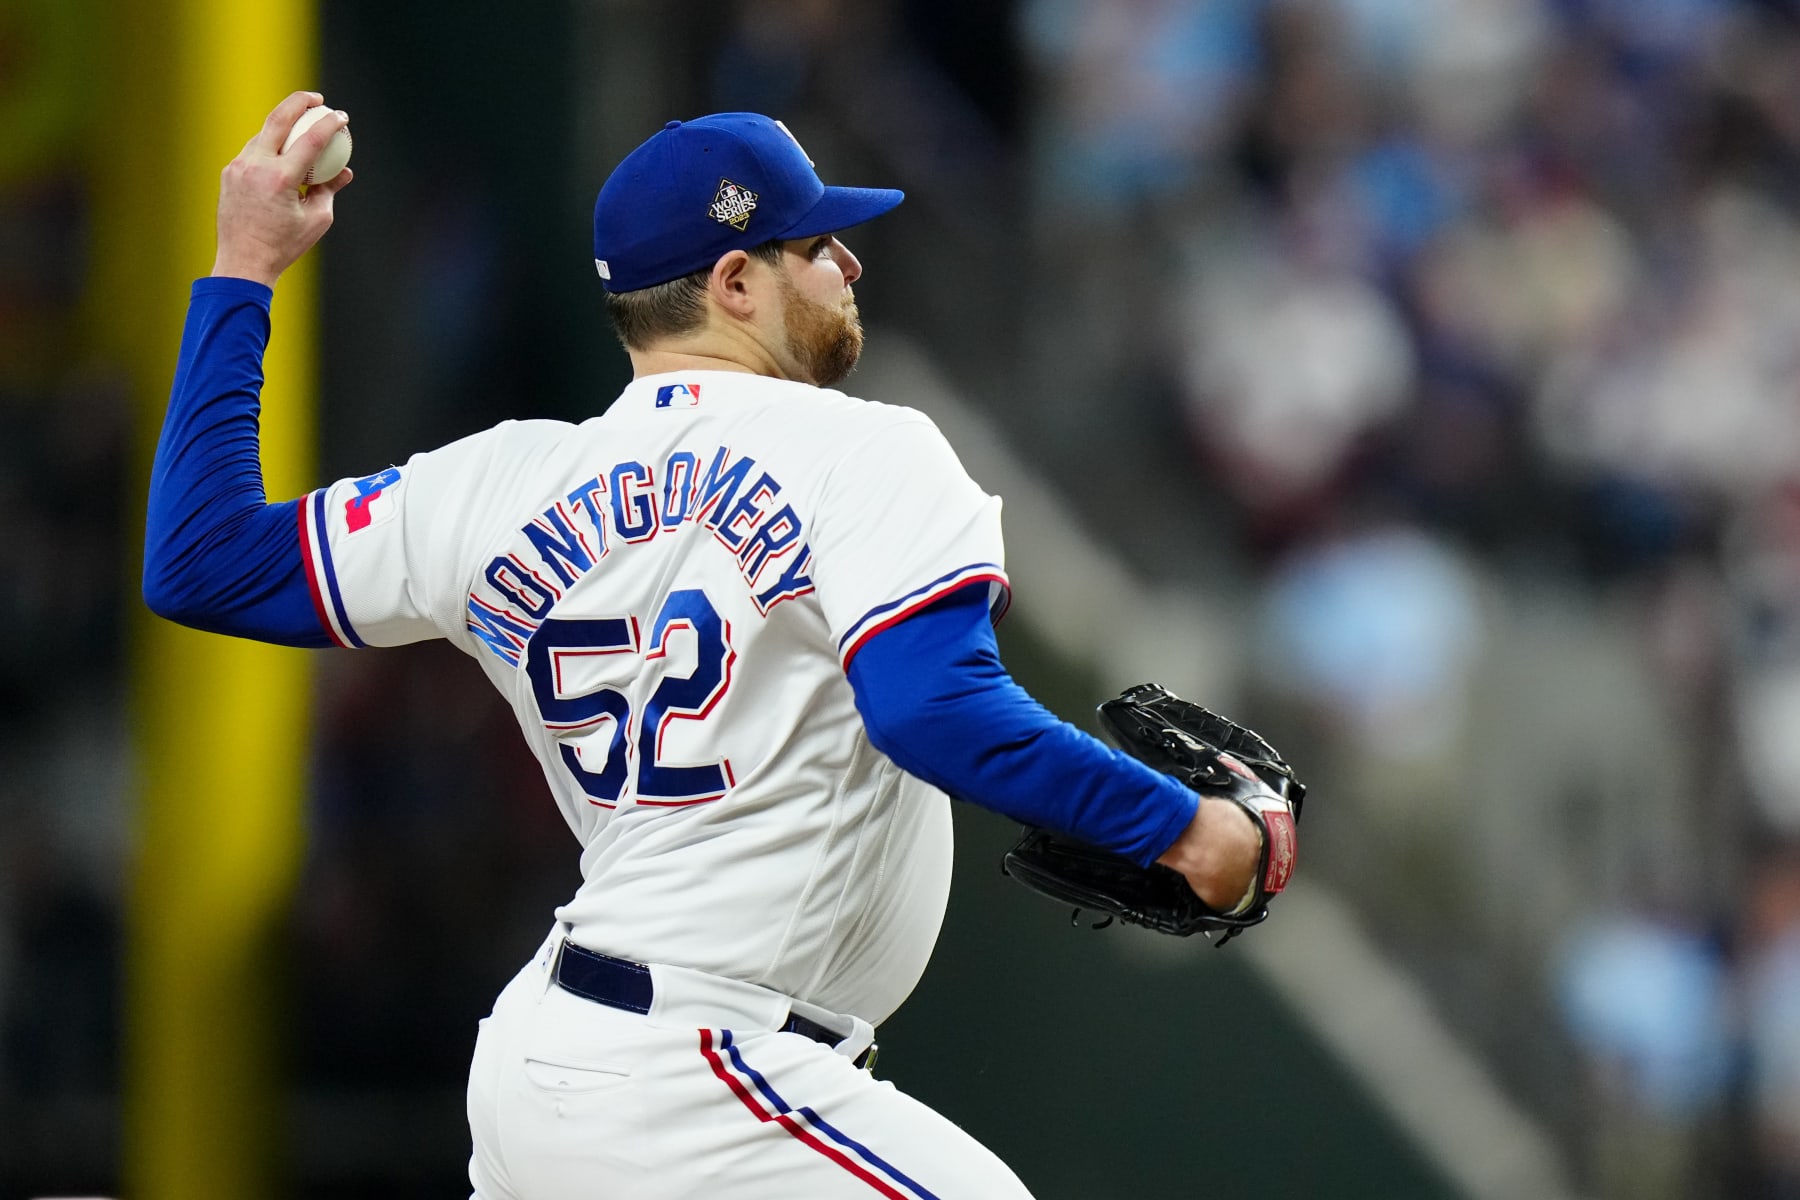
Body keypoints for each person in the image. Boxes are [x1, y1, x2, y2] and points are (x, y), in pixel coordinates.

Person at [144, 91, 1265, 1199]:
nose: (851, 268)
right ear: (735, 283)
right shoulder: (864, 451)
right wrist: (1184, 828)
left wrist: (245, 267)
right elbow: (935, 709)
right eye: (818, 245)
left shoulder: (495, 482)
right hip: (703, 1070)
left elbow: (203, 561)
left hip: (557, 1063)